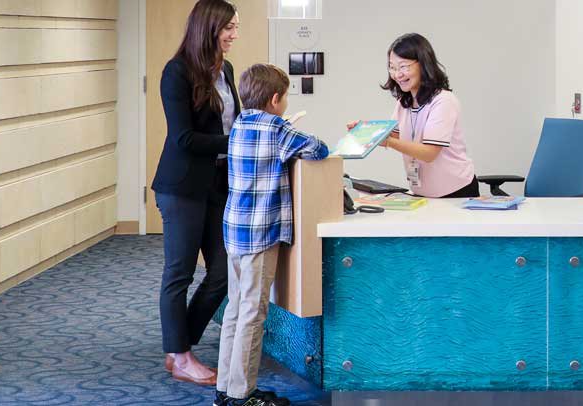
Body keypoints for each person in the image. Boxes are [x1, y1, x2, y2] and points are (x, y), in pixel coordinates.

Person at [215, 64, 329, 406]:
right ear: (276, 99)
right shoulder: (277, 128)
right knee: (254, 312)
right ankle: (242, 394)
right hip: (261, 236)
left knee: (236, 310)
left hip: (235, 232)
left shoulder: (240, 125)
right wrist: (290, 130)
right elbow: (318, 149)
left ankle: (227, 385)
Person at [150, 0, 239, 386]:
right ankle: (182, 355)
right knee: (179, 273)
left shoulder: (227, 69)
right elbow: (184, 137)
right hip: (182, 186)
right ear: (209, 28)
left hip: (218, 184)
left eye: (236, 28)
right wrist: (235, 140)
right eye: (228, 28)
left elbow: (230, 118)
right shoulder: (177, 72)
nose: (234, 35)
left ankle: (179, 344)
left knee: (222, 273)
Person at [349, 33, 479, 198]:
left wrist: (387, 141)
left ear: (423, 64)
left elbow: (429, 153)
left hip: (455, 192)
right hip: (422, 192)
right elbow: (394, 135)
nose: (397, 74)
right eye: (392, 67)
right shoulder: (404, 102)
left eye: (403, 66)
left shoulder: (443, 101)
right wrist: (367, 131)